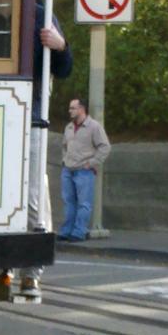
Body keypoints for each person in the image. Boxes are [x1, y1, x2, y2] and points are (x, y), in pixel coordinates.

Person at [60, 96, 110, 242]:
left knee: (84, 203)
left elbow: (105, 147)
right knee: (69, 202)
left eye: (73, 108)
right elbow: (64, 145)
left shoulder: (94, 126)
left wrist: (92, 163)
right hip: (68, 170)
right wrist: (64, 160)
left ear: (82, 109)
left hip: (84, 170)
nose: (70, 111)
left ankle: (79, 231)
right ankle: (66, 230)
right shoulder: (69, 127)